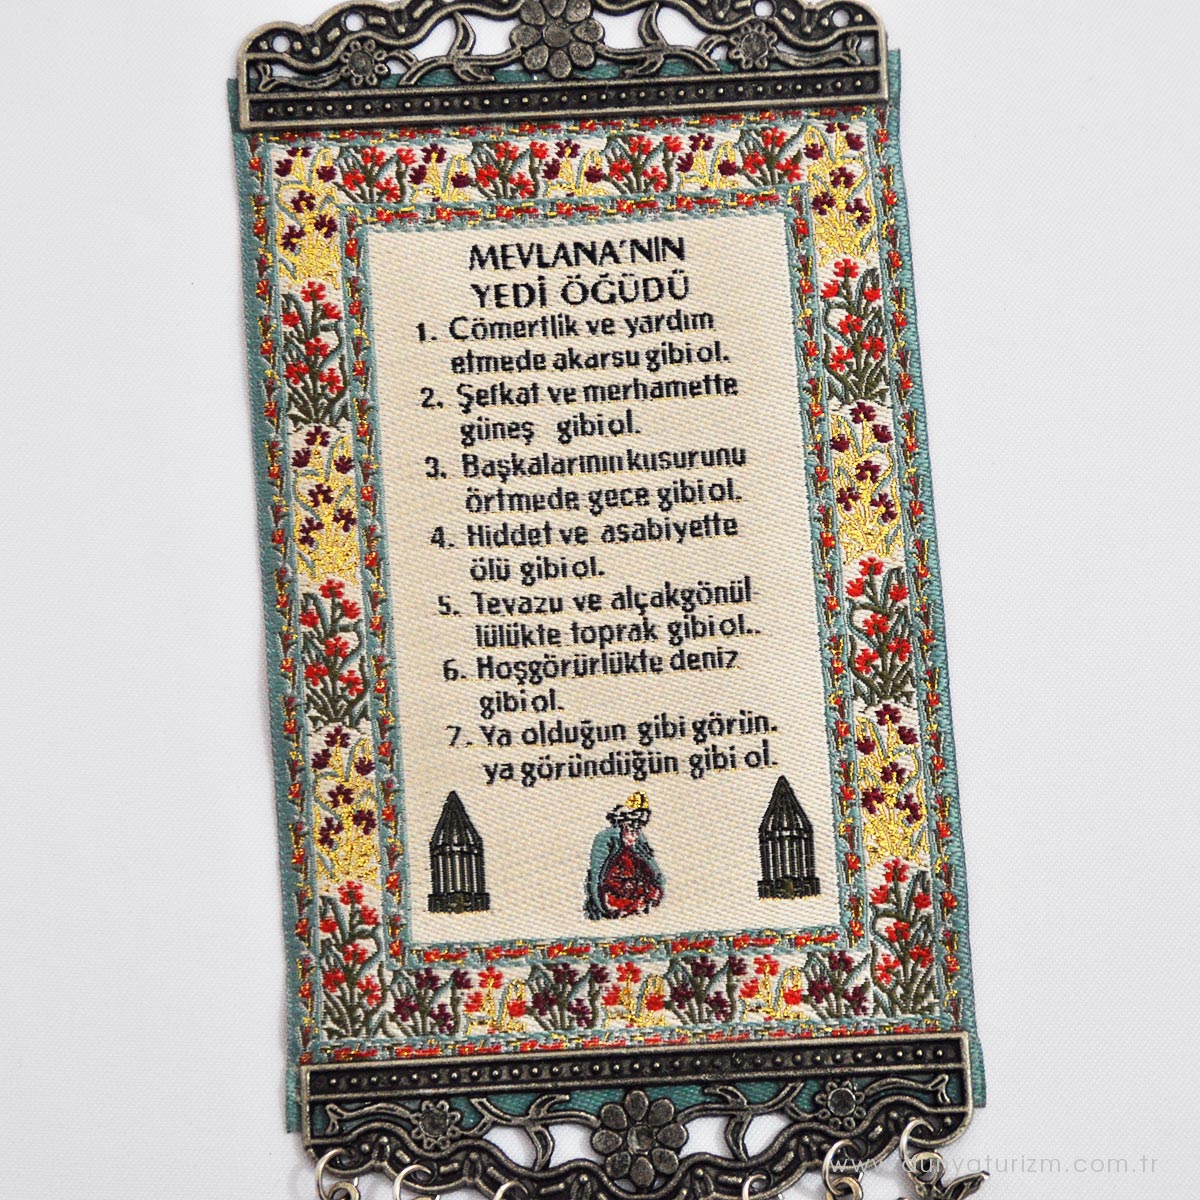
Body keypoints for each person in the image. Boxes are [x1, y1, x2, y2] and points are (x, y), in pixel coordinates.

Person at [584, 791, 665, 920]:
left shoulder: (640, 838)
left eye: (639, 823)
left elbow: (651, 864)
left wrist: (659, 886)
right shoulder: (605, 838)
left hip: (637, 894)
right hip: (613, 894)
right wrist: (602, 905)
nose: (635, 829)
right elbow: (597, 873)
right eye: (632, 823)